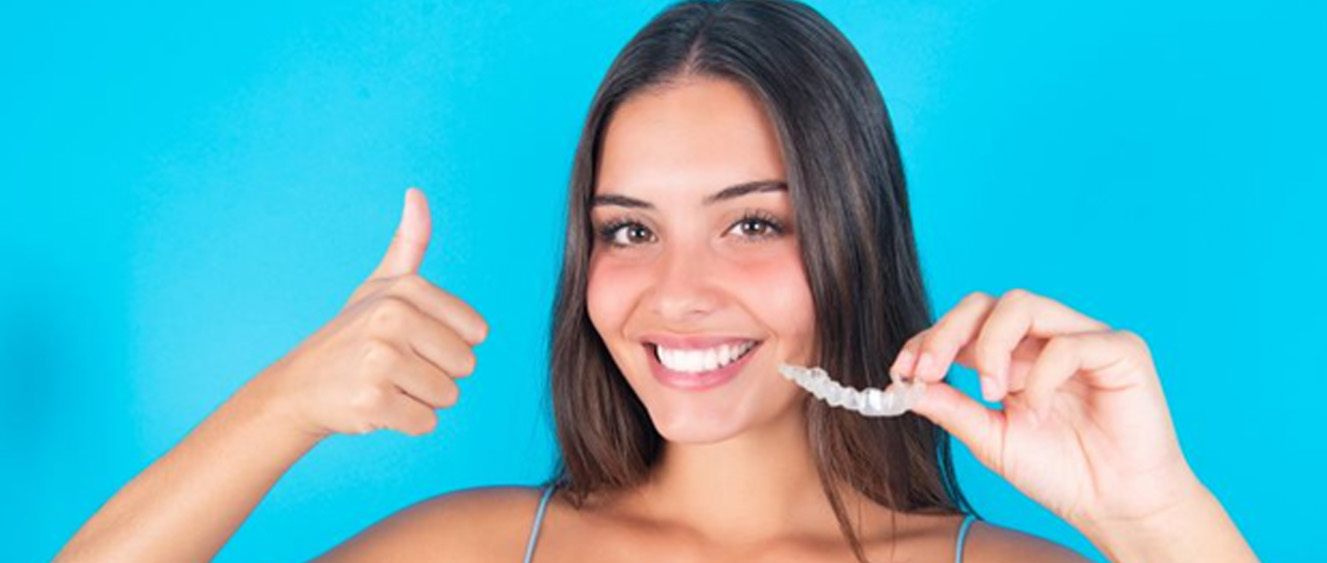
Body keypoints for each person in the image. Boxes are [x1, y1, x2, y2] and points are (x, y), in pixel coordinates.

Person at [54, 1, 1260, 561]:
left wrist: (1152, 520)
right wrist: (282, 407)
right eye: (627, 232)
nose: (674, 292)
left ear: (851, 238)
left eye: (750, 224)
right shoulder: (477, 550)